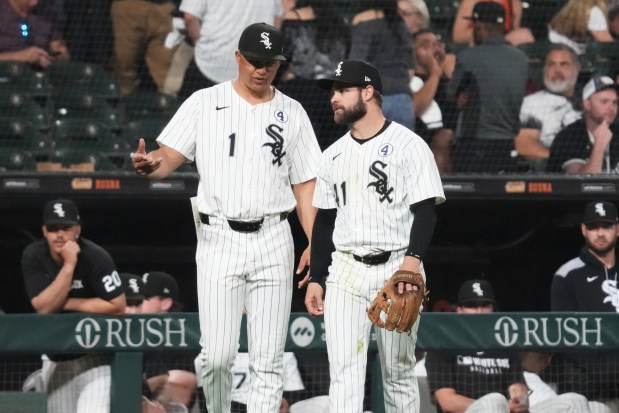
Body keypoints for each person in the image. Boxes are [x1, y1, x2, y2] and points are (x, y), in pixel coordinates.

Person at [132, 22, 322, 413]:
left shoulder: (293, 112)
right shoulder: (205, 101)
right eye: (254, 60)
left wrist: (316, 244)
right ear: (237, 57)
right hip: (219, 237)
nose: (261, 69)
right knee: (216, 357)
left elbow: (306, 187)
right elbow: (169, 155)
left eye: (270, 62)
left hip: (274, 237)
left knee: (268, 361)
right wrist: (153, 164)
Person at [306, 59, 446, 412]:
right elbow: (324, 222)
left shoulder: (409, 145)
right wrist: (317, 278)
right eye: (333, 91)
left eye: (342, 90)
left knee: (398, 371)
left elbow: (425, 211)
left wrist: (412, 264)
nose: (334, 98)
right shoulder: (332, 155)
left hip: (398, 266)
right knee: (344, 373)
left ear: (368, 92)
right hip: (345, 271)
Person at [20, 199, 126, 413]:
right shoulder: (34, 256)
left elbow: (117, 306)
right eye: (53, 228)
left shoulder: (96, 257)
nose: (59, 234)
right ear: (44, 231)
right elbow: (44, 307)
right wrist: (69, 265)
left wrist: (68, 302)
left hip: (94, 359)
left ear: (77, 230)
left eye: (66, 228)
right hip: (55, 361)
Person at [551, 201, 619, 412]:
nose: (600, 233)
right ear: (583, 230)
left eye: (606, 226)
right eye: (593, 227)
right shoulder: (567, 274)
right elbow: (564, 335)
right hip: (589, 391)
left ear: (617, 229)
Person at [448, 1, 528, 173]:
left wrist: (461, 95)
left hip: (473, 144)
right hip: (507, 145)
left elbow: (450, 95)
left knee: (470, 198)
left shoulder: (468, 57)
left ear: (479, 26)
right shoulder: (521, 58)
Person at [277, 0, 350, 149]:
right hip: (332, 94)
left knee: (297, 151)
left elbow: (283, 57)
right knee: (330, 150)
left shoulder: (294, 18)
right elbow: (345, 57)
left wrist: (281, 78)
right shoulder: (339, 21)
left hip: (299, 92)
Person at [177, 0, 284, 100]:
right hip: (255, 65)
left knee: (195, 114)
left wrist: (197, 41)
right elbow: (278, 17)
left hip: (210, 59)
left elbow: (190, 17)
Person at [348, 0, 416, 131]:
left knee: (369, 151)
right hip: (402, 101)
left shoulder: (362, 21)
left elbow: (355, 68)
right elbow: (410, 71)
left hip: (372, 101)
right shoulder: (399, 23)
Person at [515, 44, 582, 171]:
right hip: (553, 175)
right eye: (551, 64)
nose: (557, 70)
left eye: (564, 64)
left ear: (577, 68)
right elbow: (524, 143)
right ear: (544, 70)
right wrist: (563, 165)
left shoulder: (593, 100)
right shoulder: (531, 103)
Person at [139, 271, 197, 413]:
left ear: (165, 303)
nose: (138, 301)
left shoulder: (181, 336)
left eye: (145, 297)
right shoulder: (134, 334)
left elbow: (183, 386)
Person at [546, 76, 619, 174]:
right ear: (587, 104)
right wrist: (600, 144)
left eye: (615, 102)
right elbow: (582, 183)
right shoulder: (569, 137)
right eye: (604, 102)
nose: (611, 108)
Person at [411, 28, 457, 173]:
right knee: (443, 137)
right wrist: (435, 74)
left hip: (457, 142)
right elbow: (416, 108)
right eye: (425, 46)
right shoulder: (409, 80)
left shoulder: (451, 81)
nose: (434, 49)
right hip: (422, 139)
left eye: (437, 44)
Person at [110, 0, 177, 95]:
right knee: (124, 68)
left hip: (164, 8)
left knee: (167, 77)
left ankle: (169, 106)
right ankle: (120, 104)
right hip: (129, 7)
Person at [0, 0, 70, 68]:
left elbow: (61, 51)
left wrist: (55, 57)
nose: (35, 2)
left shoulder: (46, 12)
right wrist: (18, 57)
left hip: (42, 74)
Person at [452, 0, 534, 46]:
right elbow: (457, 36)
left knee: (525, 35)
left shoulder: (513, 3)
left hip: (503, 43)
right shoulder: (471, 2)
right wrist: (485, 29)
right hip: (479, 44)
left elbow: (514, 30)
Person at [548, 0, 614, 56]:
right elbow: (608, 45)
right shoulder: (595, 12)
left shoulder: (580, 5)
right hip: (568, 51)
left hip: (558, 45)